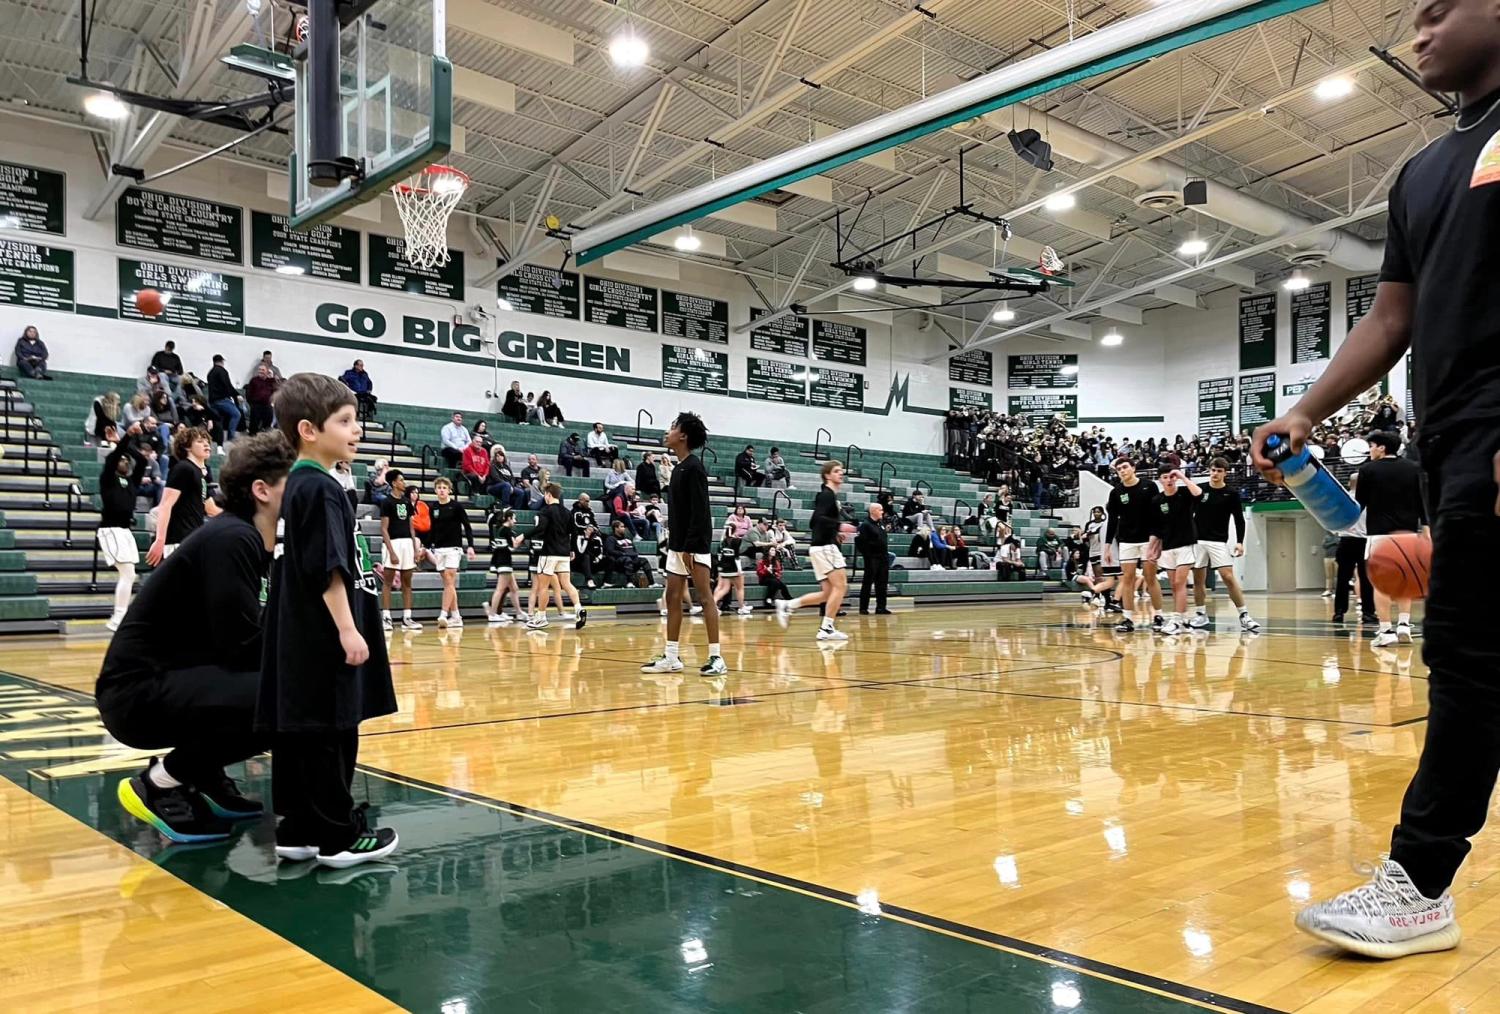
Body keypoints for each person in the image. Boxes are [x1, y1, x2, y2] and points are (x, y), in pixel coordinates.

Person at [1250, 0, 1499, 956]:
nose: (1418, 30)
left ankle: (1420, 883)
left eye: (1439, 10)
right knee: (1473, 660)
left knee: (1469, 663)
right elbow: (1392, 317)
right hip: (1453, 441)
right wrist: (1306, 412)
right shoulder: (1423, 171)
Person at [99, 433, 294, 843]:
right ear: (262, 490)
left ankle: (203, 775)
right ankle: (158, 784)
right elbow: (241, 645)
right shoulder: (233, 538)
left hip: (166, 680)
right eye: (293, 482)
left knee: (284, 681)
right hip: (137, 695)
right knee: (289, 693)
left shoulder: (243, 536)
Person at [257, 373, 397, 869]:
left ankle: (298, 829)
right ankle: (339, 836)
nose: (357, 430)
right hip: (323, 634)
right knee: (332, 731)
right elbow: (327, 568)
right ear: (308, 430)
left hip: (298, 633)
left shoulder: (296, 484)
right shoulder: (320, 486)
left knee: (301, 730)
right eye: (345, 421)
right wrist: (348, 628)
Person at [641, 413, 725, 675]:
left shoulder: (695, 468)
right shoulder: (678, 468)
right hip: (677, 545)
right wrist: (675, 544)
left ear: (684, 435)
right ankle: (671, 656)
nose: (667, 432)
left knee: (705, 597)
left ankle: (716, 657)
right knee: (672, 597)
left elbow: (700, 512)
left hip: (694, 545)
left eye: (672, 427)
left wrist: (690, 547)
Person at [1355, 430, 1427, 647]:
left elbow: (1360, 503)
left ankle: (1386, 630)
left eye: (1371, 446)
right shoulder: (1413, 468)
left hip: (1379, 533)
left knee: (1380, 584)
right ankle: (1404, 625)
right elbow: (1422, 500)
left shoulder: (1367, 470)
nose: (1369, 450)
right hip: (1408, 532)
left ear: (1381, 448)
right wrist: (1426, 526)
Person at [775, 460, 849, 641]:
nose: (841, 473)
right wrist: (839, 525)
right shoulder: (827, 495)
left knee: (827, 593)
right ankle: (826, 628)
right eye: (836, 471)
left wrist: (834, 532)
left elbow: (816, 522)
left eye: (841, 470)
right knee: (841, 586)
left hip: (820, 547)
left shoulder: (828, 495)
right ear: (827, 475)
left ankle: (788, 605)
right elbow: (816, 519)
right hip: (825, 548)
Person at [1188, 457, 1259, 632]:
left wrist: (1240, 542)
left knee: (1228, 577)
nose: (1215, 474)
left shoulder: (1231, 494)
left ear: (1225, 473)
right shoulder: (1200, 490)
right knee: (1198, 580)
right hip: (1198, 541)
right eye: (1213, 470)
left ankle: (1244, 616)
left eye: (1219, 471)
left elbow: (1239, 520)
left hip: (1218, 542)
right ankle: (1200, 614)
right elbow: (1188, 515)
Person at [1103, 456, 1164, 634]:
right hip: (1126, 541)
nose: (1122, 471)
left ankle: (1158, 616)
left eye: (1125, 467)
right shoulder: (1116, 492)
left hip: (1148, 540)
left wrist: (1157, 538)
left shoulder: (1149, 486)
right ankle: (1128, 618)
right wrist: (1107, 546)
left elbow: (1157, 514)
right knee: (1127, 580)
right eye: (1119, 469)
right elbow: (1112, 520)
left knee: (1150, 578)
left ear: (1133, 468)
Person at [148, 428, 219, 566]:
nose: (206, 444)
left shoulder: (200, 474)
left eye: (207, 442)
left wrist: (240, 517)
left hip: (193, 540)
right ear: (187, 447)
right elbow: (165, 505)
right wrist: (160, 540)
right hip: (178, 541)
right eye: (200, 441)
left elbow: (211, 509)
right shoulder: (183, 468)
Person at [523, 482, 585, 630]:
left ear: (548, 495)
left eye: (545, 494)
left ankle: (541, 617)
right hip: (564, 553)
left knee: (543, 587)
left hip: (549, 553)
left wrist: (523, 536)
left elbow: (540, 528)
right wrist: (572, 550)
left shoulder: (546, 511)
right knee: (567, 584)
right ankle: (579, 609)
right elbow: (574, 533)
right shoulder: (567, 512)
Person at [98, 441, 146, 631]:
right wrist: (124, 440)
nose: (124, 461)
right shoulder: (108, 479)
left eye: (127, 460)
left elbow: (142, 461)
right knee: (127, 573)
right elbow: (112, 459)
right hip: (111, 529)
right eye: (121, 459)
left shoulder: (132, 482)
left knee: (130, 574)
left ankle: (119, 616)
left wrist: (124, 444)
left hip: (125, 531)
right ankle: (118, 617)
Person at [1151, 468, 1202, 636]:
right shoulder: (1157, 500)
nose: (1169, 480)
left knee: (1180, 583)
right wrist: (1153, 548)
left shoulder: (1185, 493)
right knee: (1174, 585)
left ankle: (1176, 620)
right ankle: (1184, 620)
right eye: (1165, 477)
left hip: (1186, 544)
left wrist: (1182, 476)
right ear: (1160, 480)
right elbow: (1156, 527)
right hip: (1167, 547)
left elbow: (1199, 493)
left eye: (1171, 477)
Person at [425, 477, 476, 629]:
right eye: (439, 487)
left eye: (444, 488)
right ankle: (456, 616)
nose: (441, 490)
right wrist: (426, 546)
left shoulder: (456, 506)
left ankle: (443, 614)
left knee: (449, 578)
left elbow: (467, 526)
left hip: (454, 548)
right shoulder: (433, 507)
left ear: (449, 490)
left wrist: (470, 546)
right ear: (435, 490)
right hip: (439, 548)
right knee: (449, 584)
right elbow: (432, 528)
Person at [377, 469, 423, 632]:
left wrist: (415, 548)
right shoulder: (386, 502)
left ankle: (407, 618)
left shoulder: (406, 502)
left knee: (407, 582)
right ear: (394, 483)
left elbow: (411, 528)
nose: (404, 483)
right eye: (401, 480)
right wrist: (391, 551)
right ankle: (386, 617)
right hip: (393, 543)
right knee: (388, 582)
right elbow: (384, 529)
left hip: (407, 544)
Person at [483, 509, 524, 624]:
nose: (515, 521)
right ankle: (492, 614)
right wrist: (521, 538)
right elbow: (513, 547)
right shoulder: (507, 531)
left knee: (514, 588)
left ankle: (519, 612)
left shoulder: (499, 529)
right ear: (509, 519)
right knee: (500, 589)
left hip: (500, 561)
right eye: (514, 519)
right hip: (504, 562)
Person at [856, 503, 891, 615]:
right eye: (880, 510)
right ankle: (863, 608)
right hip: (872, 558)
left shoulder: (880, 523)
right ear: (873, 511)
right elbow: (860, 542)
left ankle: (881, 607)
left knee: (882, 583)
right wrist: (868, 555)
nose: (882, 512)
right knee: (868, 582)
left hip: (883, 557)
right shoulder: (865, 525)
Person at [604, 520, 654, 586]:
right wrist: (623, 554)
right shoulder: (611, 538)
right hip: (620, 562)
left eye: (624, 527)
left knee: (643, 560)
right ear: (616, 528)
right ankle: (629, 582)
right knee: (627, 559)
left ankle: (652, 583)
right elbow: (610, 550)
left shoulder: (627, 538)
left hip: (632, 560)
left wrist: (635, 554)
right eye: (622, 527)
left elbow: (634, 549)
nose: (624, 528)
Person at [206, 355, 241, 450]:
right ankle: (231, 437)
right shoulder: (222, 371)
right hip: (222, 400)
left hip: (212, 401)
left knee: (218, 421)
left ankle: (217, 441)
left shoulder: (210, 373)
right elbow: (227, 385)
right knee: (236, 414)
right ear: (221, 361)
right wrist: (236, 395)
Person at [712, 534, 752, 615]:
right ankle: (741, 607)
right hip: (733, 568)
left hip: (724, 567)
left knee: (724, 588)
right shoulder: (736, 541)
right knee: (739, 588)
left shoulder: (723, 541)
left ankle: (712, 605)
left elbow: (720, 555)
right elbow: (736, 557)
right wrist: (739, 569)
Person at [246, 364, 279, 435]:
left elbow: (277, 390)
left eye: (263, 370)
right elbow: (249, 393)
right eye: (259, 369)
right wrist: (251, 404)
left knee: (267, 426)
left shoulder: (271, 381)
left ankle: (265, 437)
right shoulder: (254, 380)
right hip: (256, 405)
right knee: (254, 426)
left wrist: (273, 378)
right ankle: (252, 437)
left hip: (267, 405)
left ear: (267, 371)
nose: (260, 371)